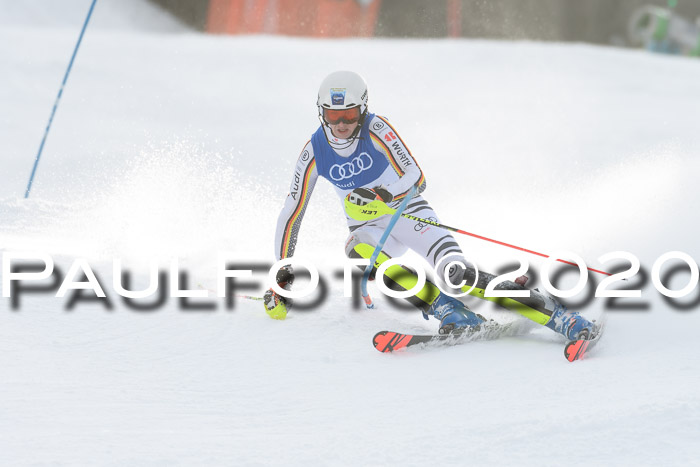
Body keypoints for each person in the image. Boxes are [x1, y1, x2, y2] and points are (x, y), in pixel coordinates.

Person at [264, 70, 595, 340]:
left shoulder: (376, 128)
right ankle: (448, 311)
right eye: (332, 115)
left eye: (348, 114)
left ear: (362, 109)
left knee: (457, 274)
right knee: (357, 250)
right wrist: (282, 273)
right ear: (321, 113)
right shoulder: (314, 151)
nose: (341, 123)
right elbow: (291, 213)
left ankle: (557, 316)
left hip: (407, 212)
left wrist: (383, 194)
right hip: (368, 230)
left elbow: (416, 176)